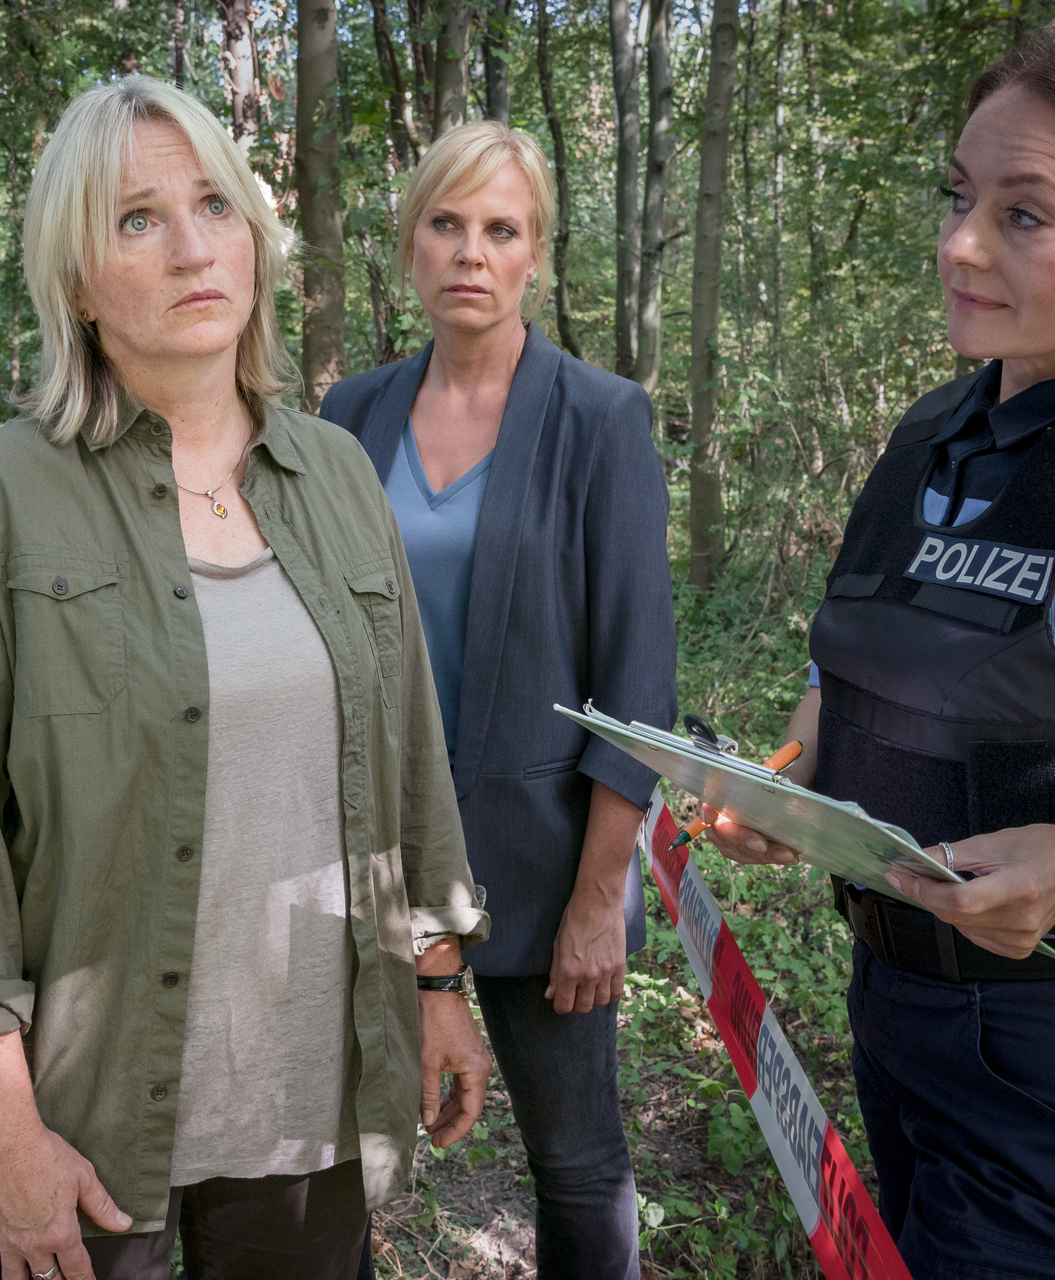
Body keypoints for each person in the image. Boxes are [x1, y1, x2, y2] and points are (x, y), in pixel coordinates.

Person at [0, 75, 494, 1280]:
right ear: (75, 281)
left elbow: (408, 747)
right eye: (137, 219)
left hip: (307, 1102)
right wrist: (3, 1129)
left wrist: (436, 978)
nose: (193, 247)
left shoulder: (339, 474)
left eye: (214, 205)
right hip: (76, 1116)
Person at [702, 19, 1055, 1278]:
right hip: (896, 1012)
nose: (960, 245)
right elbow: (858, 667)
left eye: (1024, 215)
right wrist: (792, 773)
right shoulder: (930, 438)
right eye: (959, 197)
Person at [320, 122, 678, 1280]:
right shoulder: (349, 416)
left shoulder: (599, 417)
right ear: (409, 245)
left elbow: (638, 684)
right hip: (373, 853)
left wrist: (600, 897)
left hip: (544, 856)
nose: (471, 251)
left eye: (501, 228)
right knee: (331, 1157)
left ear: (535, 254)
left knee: (576, 1163)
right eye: (446, 224)